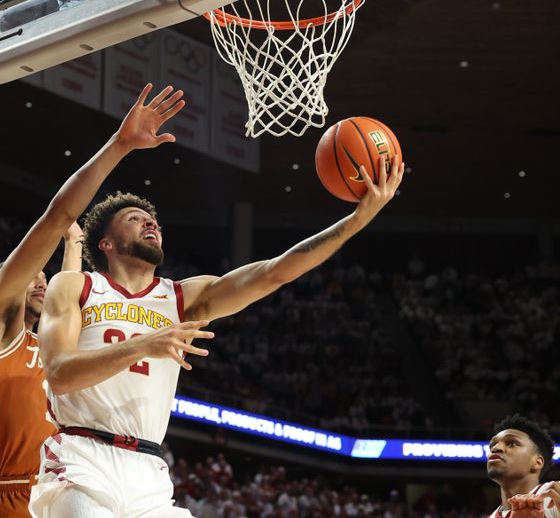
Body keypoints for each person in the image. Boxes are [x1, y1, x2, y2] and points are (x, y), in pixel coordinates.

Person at [29, 153, 404, 516]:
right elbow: (60, 375)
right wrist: (144, 344)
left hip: (148, 471)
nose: (151, 224)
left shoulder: (180, 297)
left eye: (153, 221)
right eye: (134, 219)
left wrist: (356, 220)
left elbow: (275, 272)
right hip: (82, 456)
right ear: (105, 244)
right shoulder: (75, 284)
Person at [0, 84, 185, 518]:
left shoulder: (60, 342)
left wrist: (77, 242)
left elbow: (72, 290)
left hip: (62, 482)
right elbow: (53, 222)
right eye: (32, 280)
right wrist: (119, 146)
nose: (41, 284)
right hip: (0, 496)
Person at [486, 414, 560, 518]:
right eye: (492, 445)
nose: (496, 448)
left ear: (537, 462)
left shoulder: (554, 495)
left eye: (512, 443)